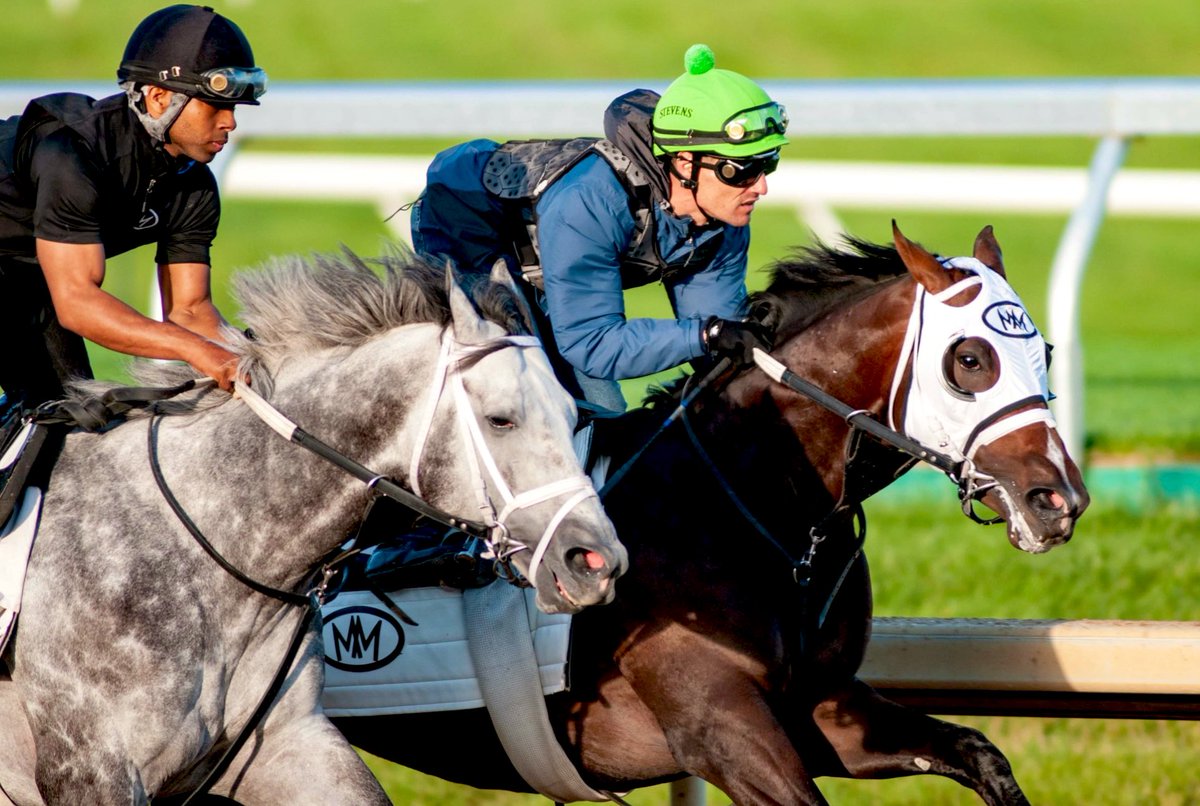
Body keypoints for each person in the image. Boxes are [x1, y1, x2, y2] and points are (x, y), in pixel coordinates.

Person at [411, 44, 785, 411]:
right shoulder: (591, 200)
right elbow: (591, 344)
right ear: (686, 163)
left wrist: (723, 339)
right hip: (469, 226)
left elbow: (720, 345)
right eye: (742, 170)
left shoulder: (722, 215)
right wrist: (706, 335)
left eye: (768, 164)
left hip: (553, 252)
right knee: (589, 407)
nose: (761, 187)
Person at [0, 4, 267, 417]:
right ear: (159, 98)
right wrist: (196, 350)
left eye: (234, 108)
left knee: (66, 425)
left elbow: (190, 311)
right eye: (215, 106)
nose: (230, 122)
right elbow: (77, 302)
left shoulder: (194, 185)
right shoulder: (71, 153)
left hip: (25, 279)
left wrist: (259, 359)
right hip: (32, 281)